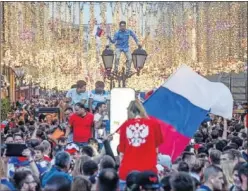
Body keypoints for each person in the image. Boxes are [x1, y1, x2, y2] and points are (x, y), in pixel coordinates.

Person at [118, 100, 163, 189]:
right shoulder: (154, 124)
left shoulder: (124, 126)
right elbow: (156, 149)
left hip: (128, 172)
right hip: (149, 171)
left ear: (129, 111)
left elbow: (121, 153)